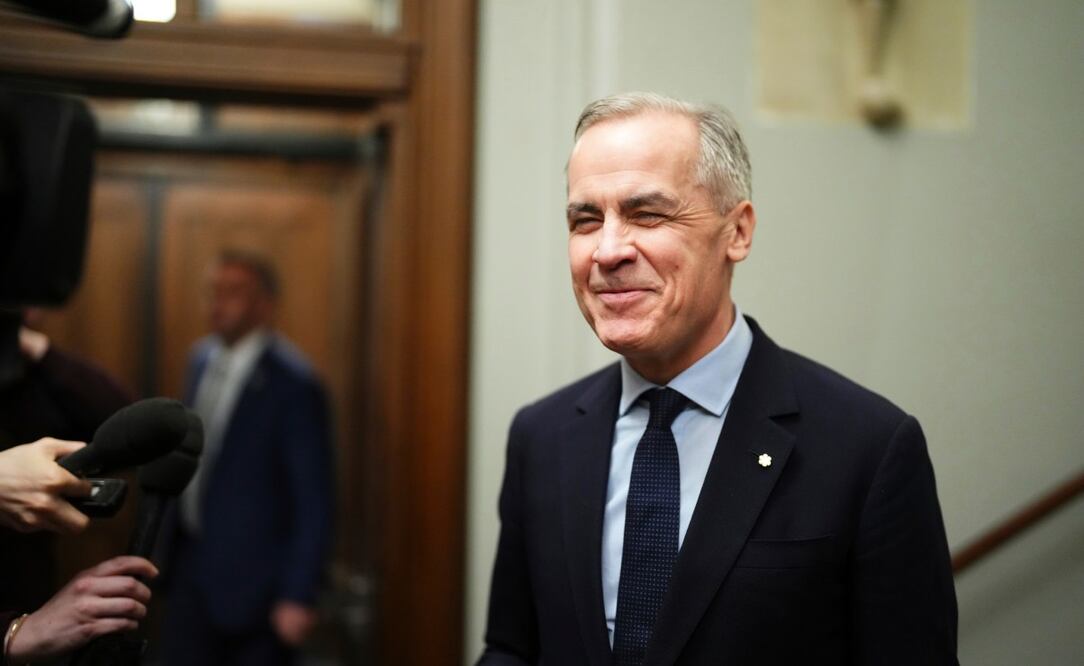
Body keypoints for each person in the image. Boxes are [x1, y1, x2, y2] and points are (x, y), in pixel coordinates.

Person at [478, 92, 958, 665]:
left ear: (737, 232)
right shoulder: (542, 436)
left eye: (647, 213)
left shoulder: (867, 448)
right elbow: (512, 649)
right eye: (585, 220)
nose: (606, 251)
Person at [161, 249, 334, 666]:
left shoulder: (293, 384)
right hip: (190, 572)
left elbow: (314, 499)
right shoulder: (200, 359)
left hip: (256, 588)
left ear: (264, 304)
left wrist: (298, 593)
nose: (218, 303)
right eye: (212, 291)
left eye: (233, 292)